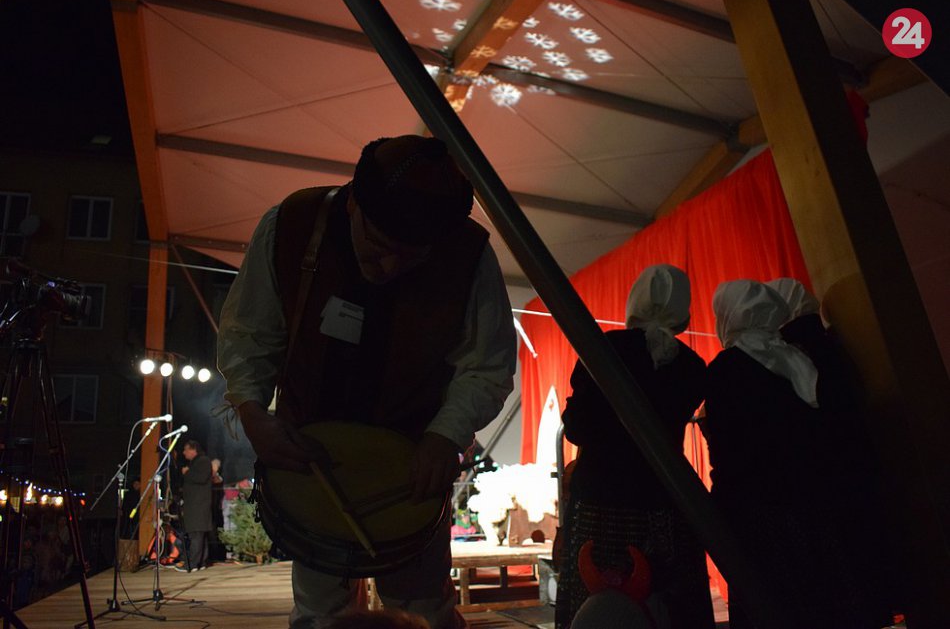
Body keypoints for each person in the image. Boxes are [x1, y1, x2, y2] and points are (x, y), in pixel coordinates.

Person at [217, 134, 517, 629]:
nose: (390, 268)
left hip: (409, 468)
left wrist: (445, 436)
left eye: (410, 257)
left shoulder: (466, 253)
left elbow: (487, 365)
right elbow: (248, 335)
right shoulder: (291, 226)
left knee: (424, 612)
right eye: (379, 248)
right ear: (354, 202)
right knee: (322, 615)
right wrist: (252, 413)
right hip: (313, 463)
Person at [704, 280, 885, 629]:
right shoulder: (796, 358)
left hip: (760, 512)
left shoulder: (725, 369)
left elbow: (729, 453)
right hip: (811, 505)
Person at [556, 264, 714, 629]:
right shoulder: (691, 365)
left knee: (595, 608)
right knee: (664, 609)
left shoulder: (603, 348)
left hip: (601, 502)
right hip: (665, 500)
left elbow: (577, 428)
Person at [179, 439, 213, 572]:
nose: (184, 452)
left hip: (198, 506)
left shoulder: (203, 461)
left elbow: (201, 478)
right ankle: (201, 562)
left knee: (196, 534)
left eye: (186, 449)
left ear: (193, 450)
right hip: (196, 505)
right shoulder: (197, 462)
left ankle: (193, 564)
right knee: (199, 535)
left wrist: (187, 473)